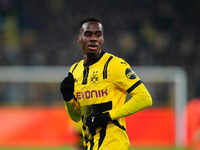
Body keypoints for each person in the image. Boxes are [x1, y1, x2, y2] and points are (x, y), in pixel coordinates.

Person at [60, 17, 152, 150]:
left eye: (98, 34)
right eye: (88, 34)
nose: (94, 38)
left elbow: (145, 99)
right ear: (79, 38)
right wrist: (68, 99)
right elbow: (76, 116)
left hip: (114, 145)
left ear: (102, 39)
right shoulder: (75, 70)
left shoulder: (114, 65)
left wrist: (108, 116)